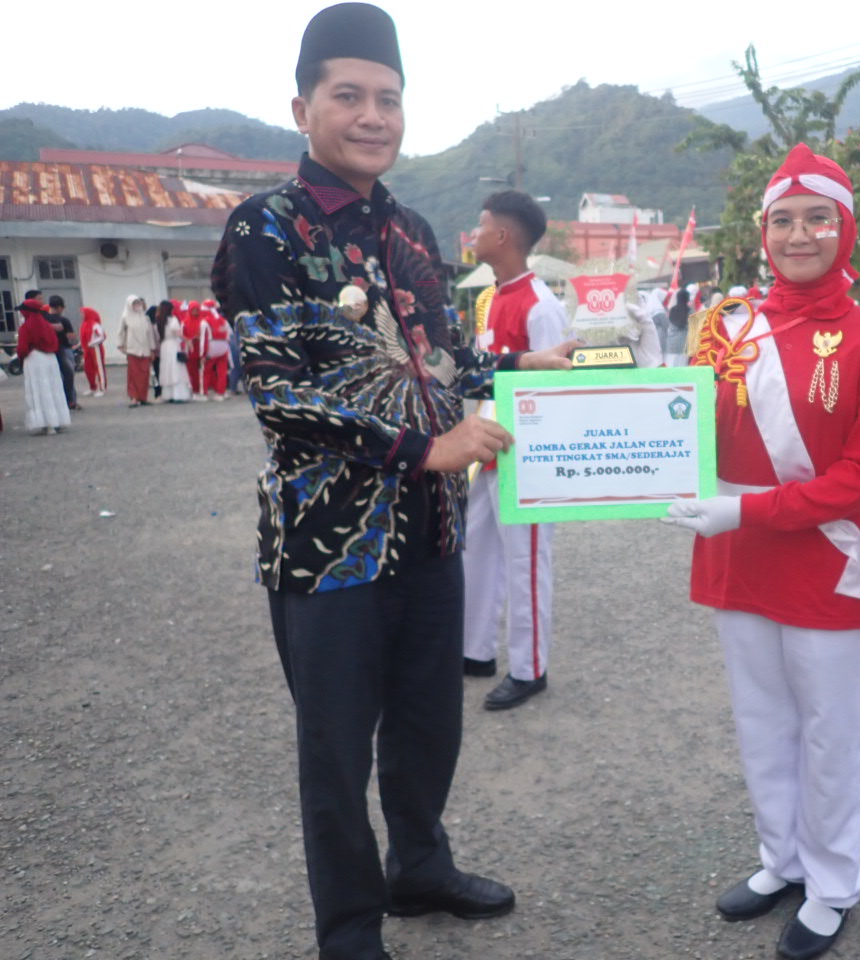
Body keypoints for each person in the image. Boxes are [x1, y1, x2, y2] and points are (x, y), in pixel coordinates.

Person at [210, 7, 575, 959]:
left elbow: (440, 370)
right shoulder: (265, 229)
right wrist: (426, 454)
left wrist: (515, 376)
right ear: (303, 107)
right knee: (334, 751)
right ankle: (349, 929)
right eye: (350, 96)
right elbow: (282, 394)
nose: (373, 116)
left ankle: (420, 865)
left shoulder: (411, 230)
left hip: (429, 534)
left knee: (427, 726)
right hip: (327, 543)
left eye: (389, 98)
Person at [667, 143, 860, 960]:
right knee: (761, 723)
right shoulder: (727, 328)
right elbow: (681, 430)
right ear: (762, 232)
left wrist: (740, 511)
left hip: (827, 568)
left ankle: (835, 880)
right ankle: (783, 860)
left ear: (846, 229)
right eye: (784, 219)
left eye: (818, 218)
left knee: (828, 732)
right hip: (738, 562)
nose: (799, 234)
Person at [462, 190, 566, 709]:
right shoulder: (494, 297)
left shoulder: (541, 305)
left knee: (525, 557)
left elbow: (555, 386)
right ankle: (475, 650)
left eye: (479, 227)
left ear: (503, 236)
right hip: (485, 437)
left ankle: (529, 667)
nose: (472, 235)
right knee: (476, 547)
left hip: (525, 446)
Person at [16, 298, 71, 435]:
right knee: (53, 389)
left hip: (34, 358)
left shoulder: (26, 327)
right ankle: (58, 420)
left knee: (39, 390)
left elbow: (22, 348)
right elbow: (55, 343)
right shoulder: (47, 325)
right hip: (50, 359)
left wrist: (22, 356)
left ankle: (46, 423)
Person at [118, 295, 156, 408]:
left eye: (138, 303)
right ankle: (134, 398)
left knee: (145, 375)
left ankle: (143, 397)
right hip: (132, 350)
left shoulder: (145, 318)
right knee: (133, 375)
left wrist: (152, 349)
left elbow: (150, 335)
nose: (137, 306)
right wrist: (121, 345)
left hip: (145, 350)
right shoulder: (125, 318)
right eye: (134, 304)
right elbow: (120, 332)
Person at [45, 295, 80, 411]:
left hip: (49, 352)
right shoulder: (63, 320)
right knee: (69, 376)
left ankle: (58, 402)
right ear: (60, 307)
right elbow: (71, 337)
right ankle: (71, 401)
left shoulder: (44, 319)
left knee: (55, 377)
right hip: (64, 349)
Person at [156, 301, 192, 403]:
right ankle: (178, 395)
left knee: (166, 369)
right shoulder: (173, 320)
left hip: (164, 346)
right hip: (173, 345)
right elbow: (178, 333)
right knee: (176, 368)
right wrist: (187, 341)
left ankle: (168, 394)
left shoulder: (159, 320)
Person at [200, 302, 232, 400]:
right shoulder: (223, 320)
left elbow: (203, 339)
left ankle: (204, 393)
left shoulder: (205, 321)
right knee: (222, 371)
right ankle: (220, 393)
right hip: (224, 346)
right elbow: (229, 335)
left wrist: (202, 354)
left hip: (212, 346)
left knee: (206, 371)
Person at [182, 300, 208, 400]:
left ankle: (203, 390)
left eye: (197, 310)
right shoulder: (185, 322)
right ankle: (194, 390)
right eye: (193, 310)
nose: (195, 312)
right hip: (191, 349)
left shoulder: (203, 321)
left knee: (204, 370)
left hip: (202, 348)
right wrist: (190, 339)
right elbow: (182, 335)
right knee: (192, 372)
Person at [80, 306, 107, 396]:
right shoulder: (85, 324)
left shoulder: (95, 324)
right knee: (88, 368)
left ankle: (102, 388)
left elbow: (102, 336)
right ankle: (92, 387)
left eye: (83, 313)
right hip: (87, 349)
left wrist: (92, 343)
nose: (82, 315)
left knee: (99, 368)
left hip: (96, 348)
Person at [665, 288, 690, 366]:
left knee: (671, 366)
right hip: (684, 344)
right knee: (682, 368)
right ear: (687, 298)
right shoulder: (690, 311)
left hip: (671, 343)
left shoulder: (672, 310)